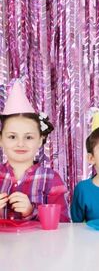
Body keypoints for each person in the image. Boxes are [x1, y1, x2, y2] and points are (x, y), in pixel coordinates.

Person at [0, 81, 70, 221]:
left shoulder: (51, 179)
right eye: (12, 136)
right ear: (1, 140)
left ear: (40, 140)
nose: (21, 143)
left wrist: (32, 211)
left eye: (29, 137)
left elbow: (63, 222)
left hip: (40, 244)